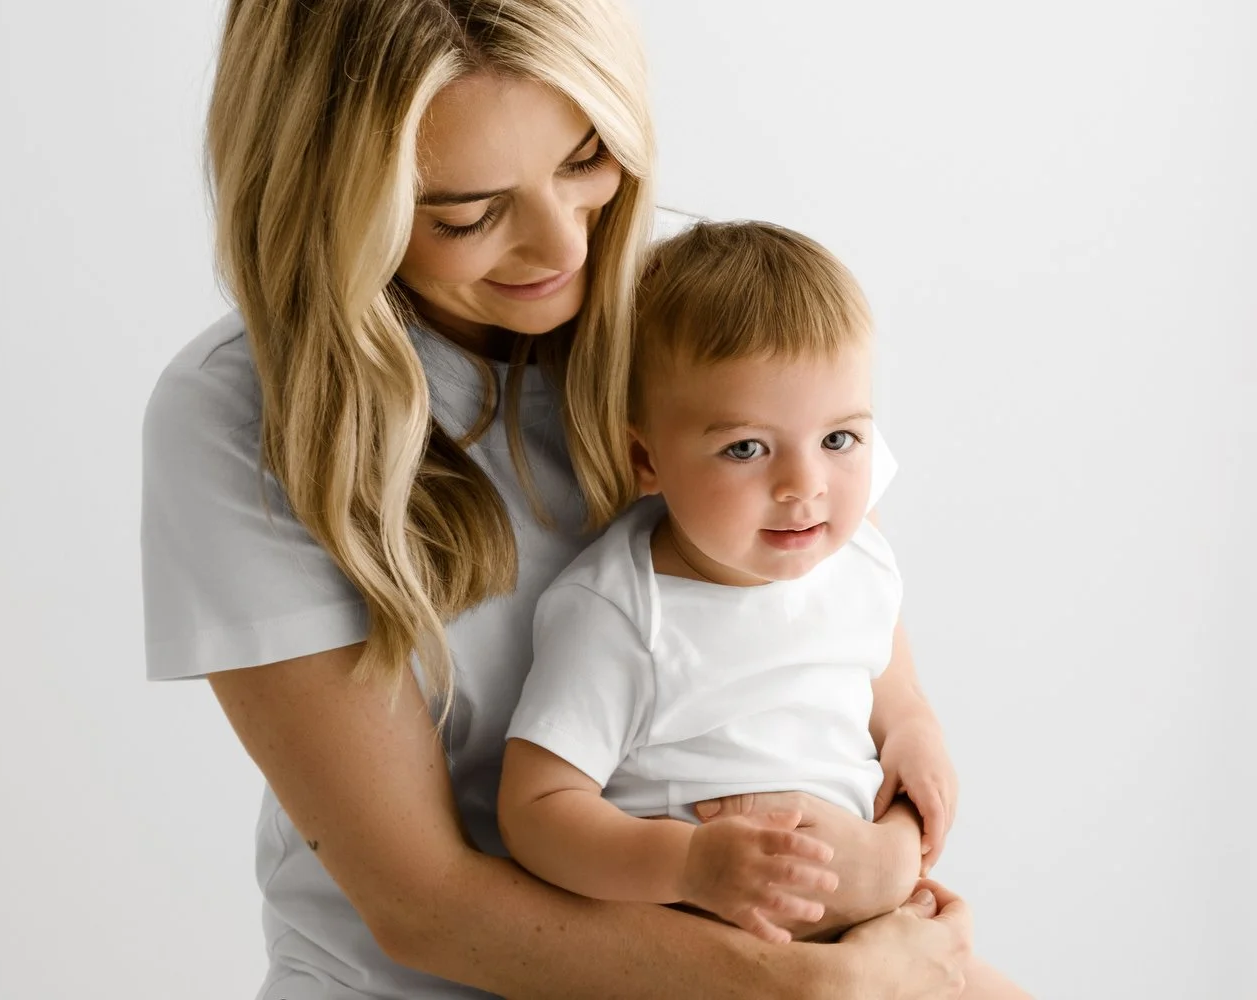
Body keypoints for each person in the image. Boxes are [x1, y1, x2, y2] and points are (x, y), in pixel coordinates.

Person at [141, 1, 1030, 996]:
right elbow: (423, 905)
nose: (562, 245)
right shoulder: (248, 418)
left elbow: (838, 585)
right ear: (335, 203)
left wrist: (895, 849)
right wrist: (817, 987)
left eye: (586, 159)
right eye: (469, 214)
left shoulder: (682, 315)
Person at [499, 220, 947, 946]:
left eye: (839, 440)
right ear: (646, 460)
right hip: (713, 949)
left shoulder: (859, 553)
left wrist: (913, 733)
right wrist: (686, 865)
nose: (804, 486)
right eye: (746, 448)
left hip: (868, 929)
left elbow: (885, 677)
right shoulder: (622, 611)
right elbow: (536, 810)